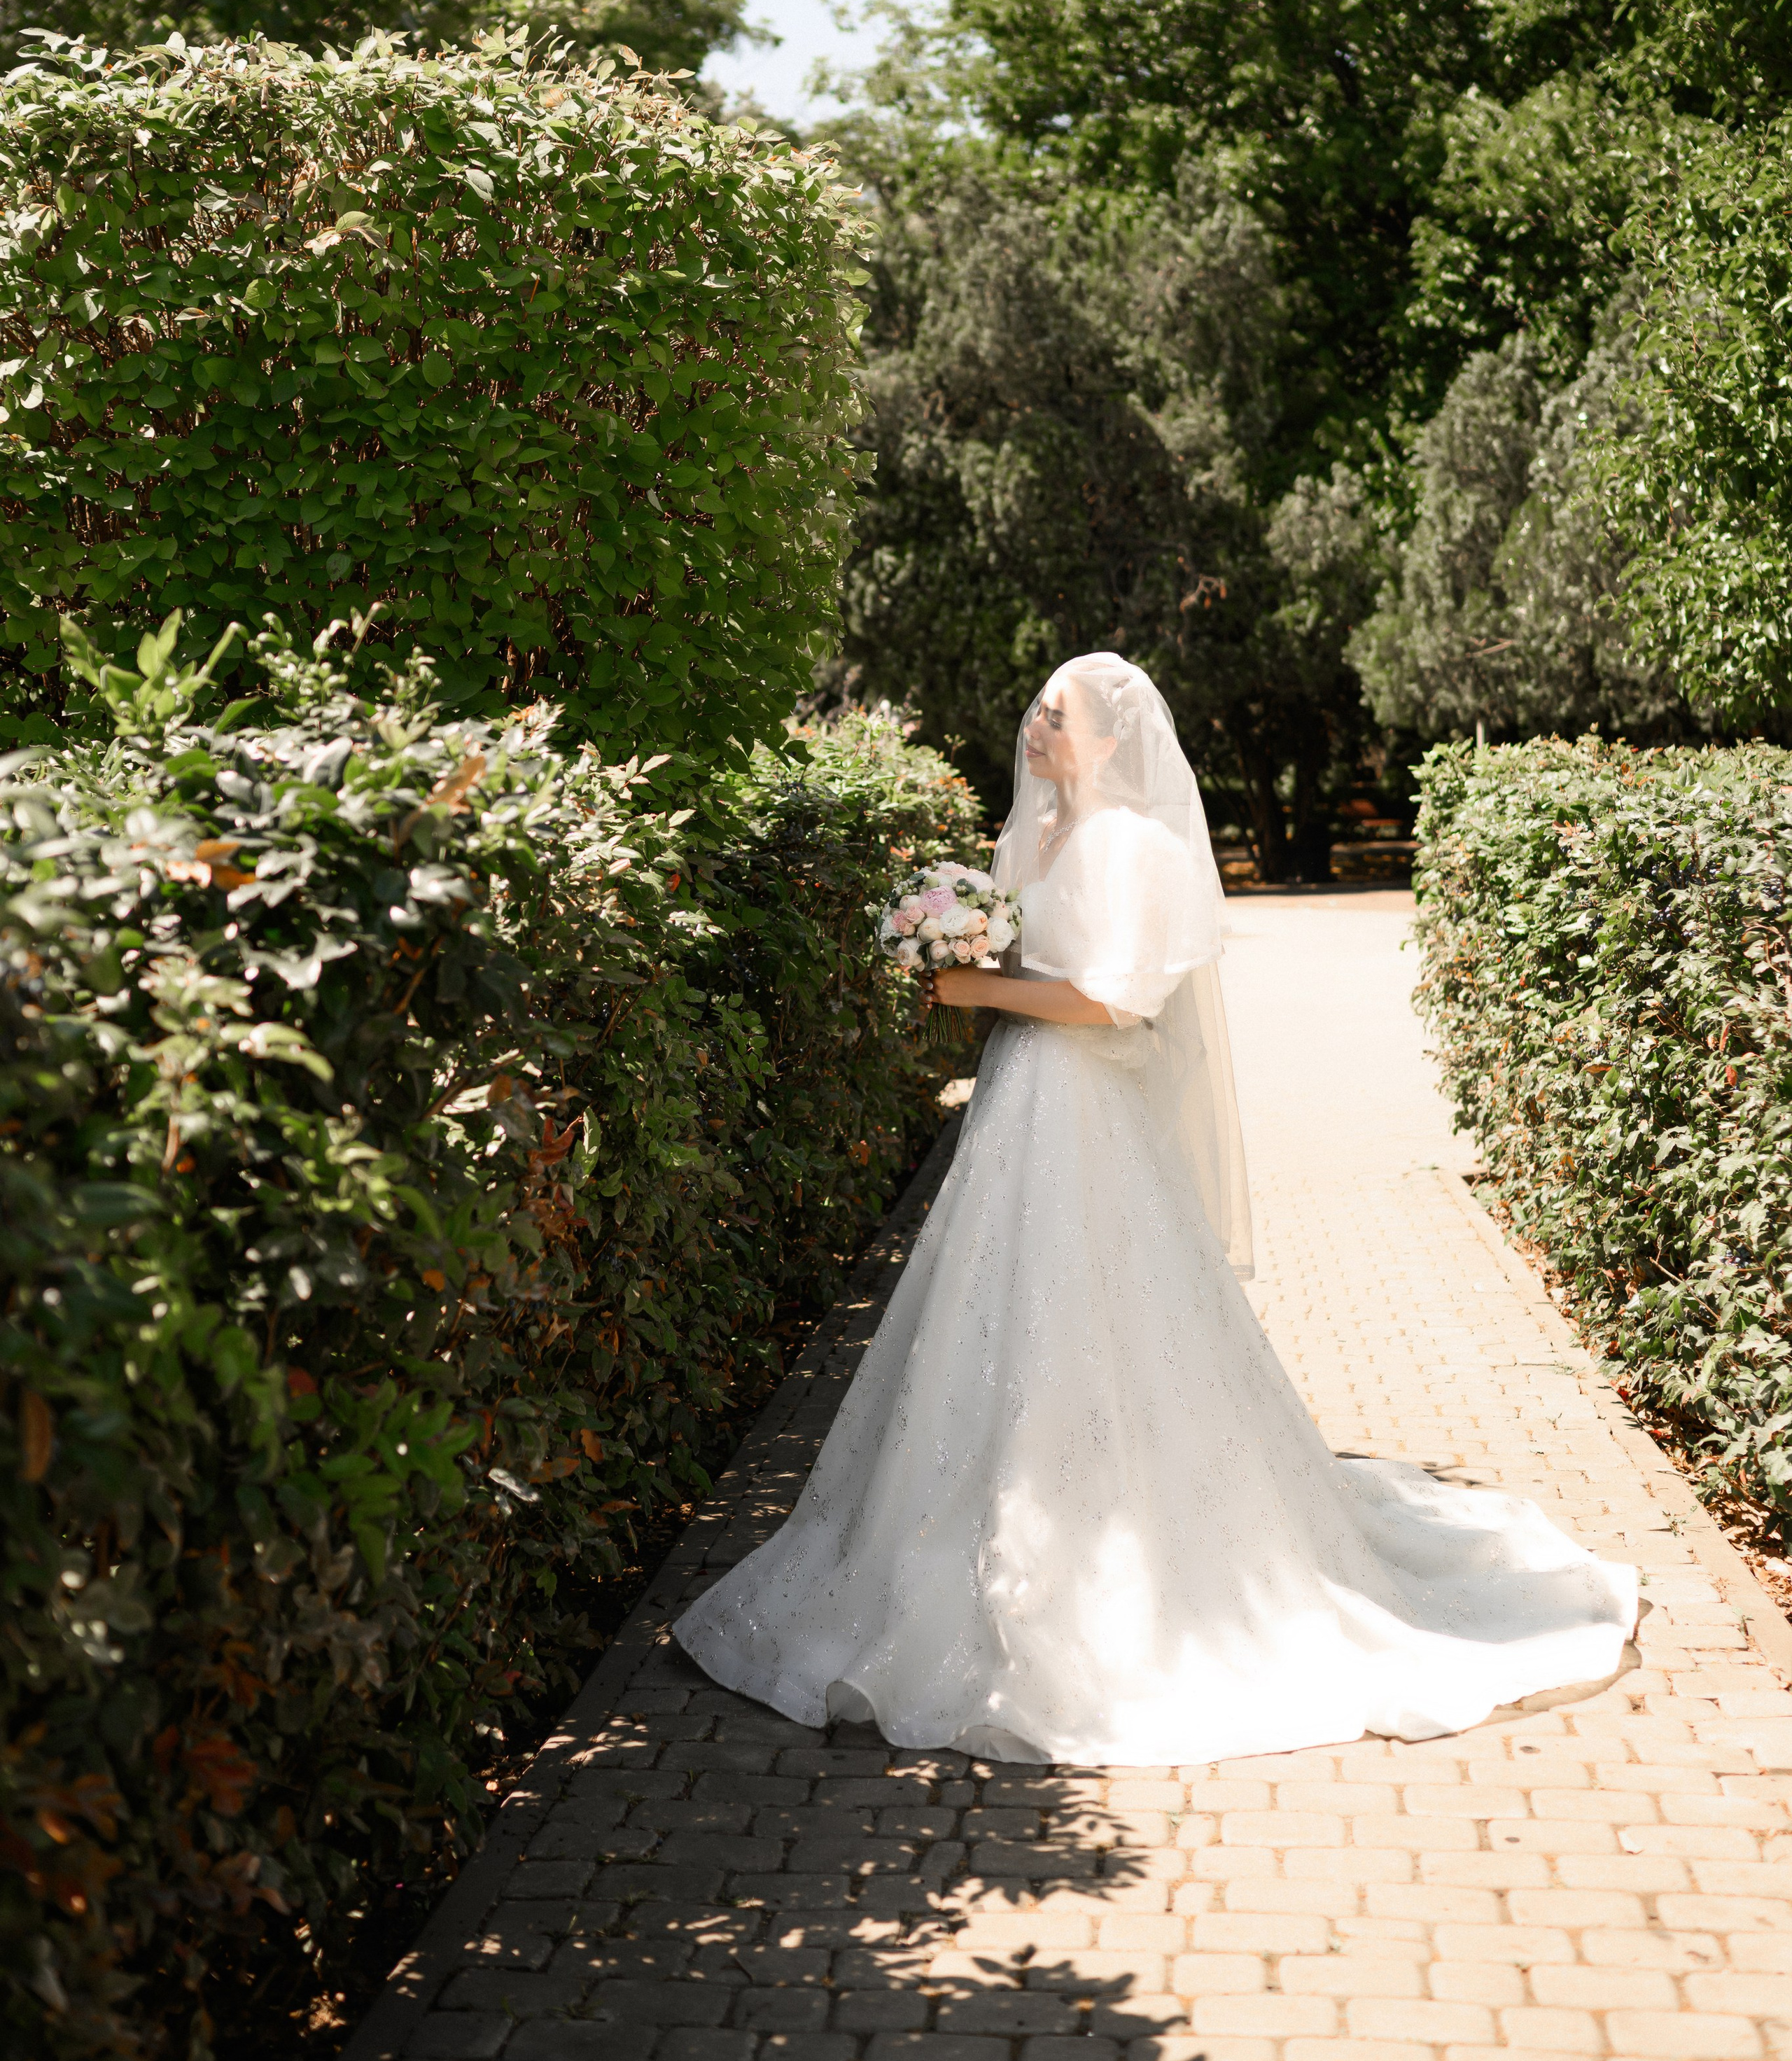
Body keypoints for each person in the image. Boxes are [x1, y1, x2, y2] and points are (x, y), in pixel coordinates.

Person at [675, 652, 1636, 1764]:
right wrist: (962, 954)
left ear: (1114, 739)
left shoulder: (1135, 849)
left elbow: (1114, 998)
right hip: (1018, 1103)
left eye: (1058, 714)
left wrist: (974, 984)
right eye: (1033, 706)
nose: (1035, 724)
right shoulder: (1027, 837)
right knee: (995, 1316)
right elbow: (1027, 960)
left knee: (1101, 1309)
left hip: (1085, 1111)